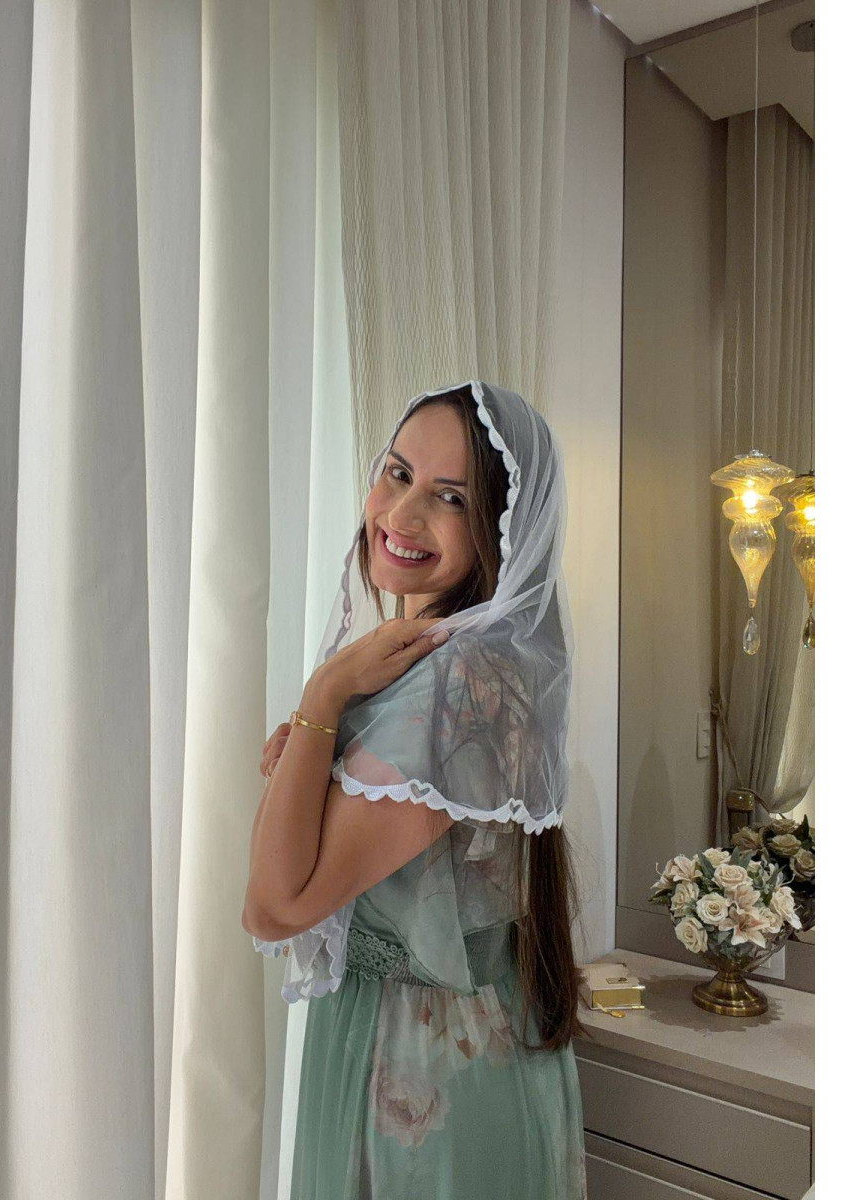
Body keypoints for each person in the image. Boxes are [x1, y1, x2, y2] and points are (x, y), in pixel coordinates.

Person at [243, 380, 588, 1199]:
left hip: (417, 1070)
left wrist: (323, 698)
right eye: (397, 473)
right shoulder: (449, 663)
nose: (401, 513)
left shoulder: (457, 683)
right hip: (446, 1042)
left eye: (450, 497)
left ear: (501, 529)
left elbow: (274, 908)